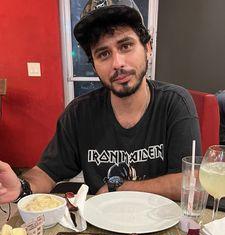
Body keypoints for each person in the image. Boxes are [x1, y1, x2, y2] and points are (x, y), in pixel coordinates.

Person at [0, 0, 201, 205]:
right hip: (101, 228)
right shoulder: (79, 113)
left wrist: (119, 187)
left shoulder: (175, 103)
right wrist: (21, 187)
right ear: (94, 66)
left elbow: (190, 180)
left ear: (148, 48)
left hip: (163, 226)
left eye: (126, 46)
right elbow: (46, 173)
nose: (117, 63)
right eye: (103, 54)